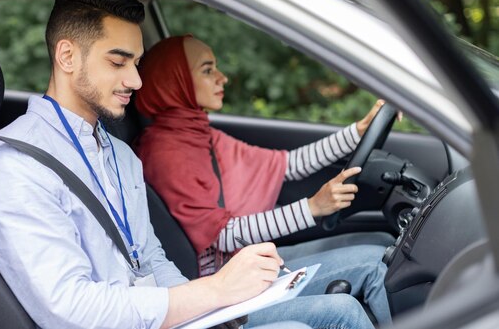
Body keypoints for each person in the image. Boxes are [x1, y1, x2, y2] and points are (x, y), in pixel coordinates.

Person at [0, 0, 375, 329]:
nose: (135, 80)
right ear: (67, 56)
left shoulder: (120, 154)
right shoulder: (13, 167)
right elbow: (69, 309)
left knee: (338, 312)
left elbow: (152, 259)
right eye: (119, 62)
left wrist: (210, 312)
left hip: (167, 317)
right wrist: (213, 291)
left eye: (137, 63)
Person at [135, 34, 394, 325]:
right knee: (351, 299)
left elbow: (286, 165)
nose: (223, 78)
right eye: (207, 70)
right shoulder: (167, 152)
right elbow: (222, 234)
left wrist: (358, 132)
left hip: (242, 265)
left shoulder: (201, 135)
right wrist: (312, 208)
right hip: (219, 295)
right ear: (174, 81)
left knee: (380, 251)